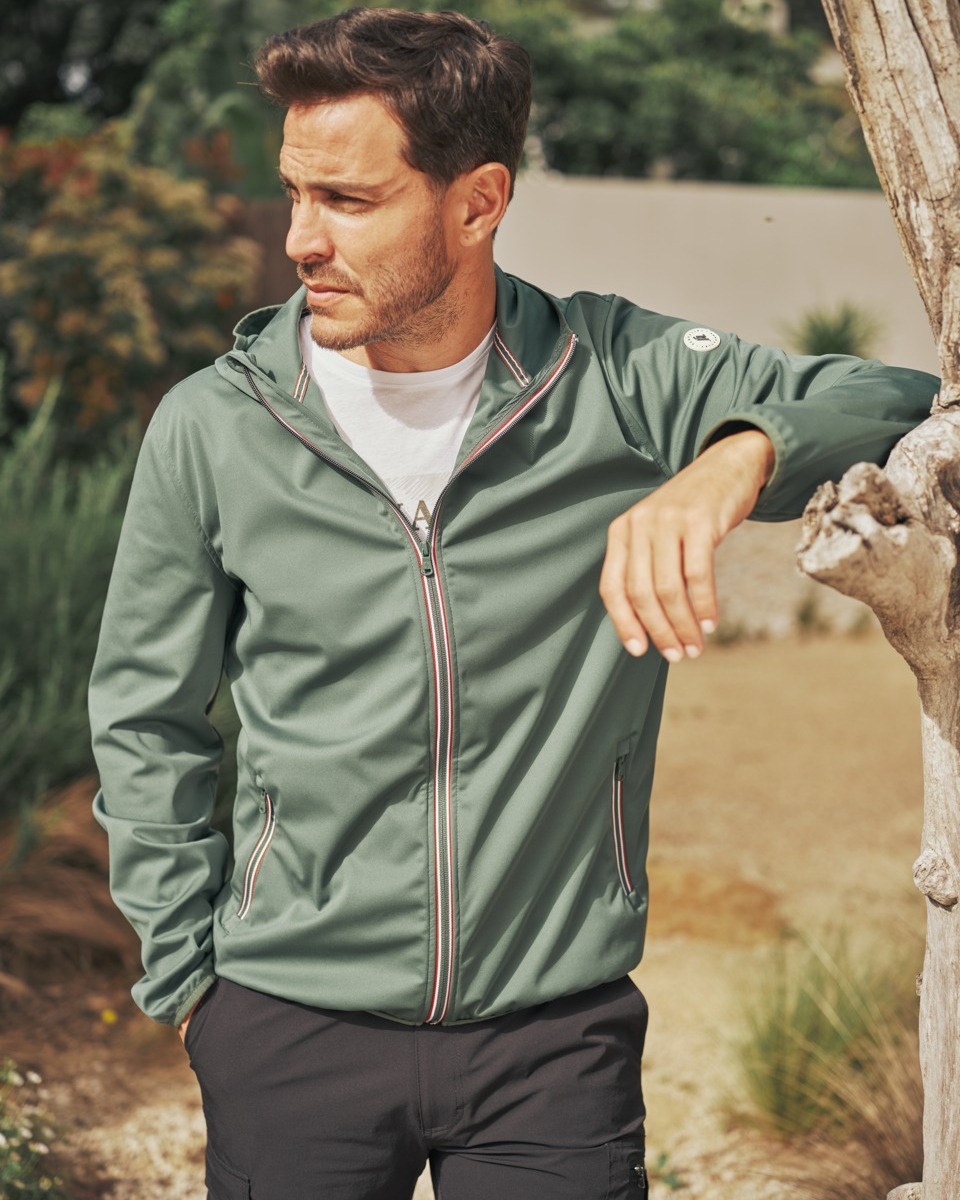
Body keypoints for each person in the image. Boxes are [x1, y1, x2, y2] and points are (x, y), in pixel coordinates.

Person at [88, 8, 938, 1199]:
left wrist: (732, 462)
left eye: (348, 201)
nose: (299, 239)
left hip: (553, 1044)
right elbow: (146, 717)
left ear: (479, 203)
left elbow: (896, 397)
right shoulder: (216, 427)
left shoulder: (615, 377)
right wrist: (190, 983)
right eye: (295, 193)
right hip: (287, 1027)